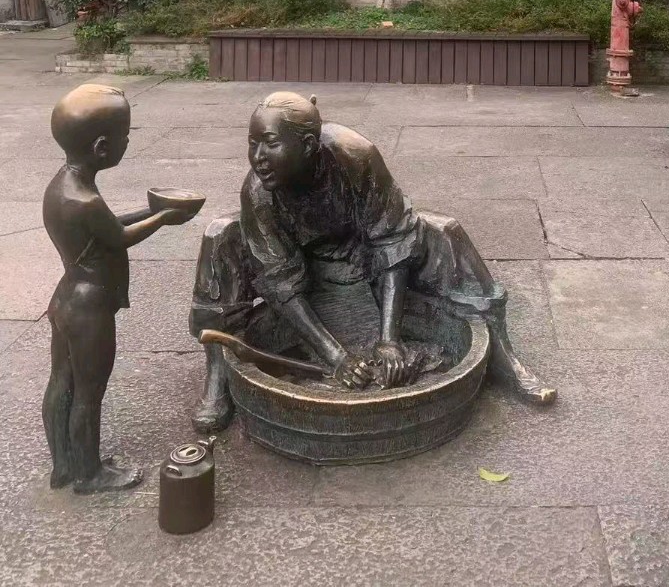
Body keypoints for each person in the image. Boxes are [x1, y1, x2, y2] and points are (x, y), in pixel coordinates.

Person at [190, 92, 556, 431]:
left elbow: (392, 238)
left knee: (446, 232)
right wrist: (336, 357)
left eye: (271, 144)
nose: (258, 157)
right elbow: (279, 281)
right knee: (219, 237)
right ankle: (219, 373)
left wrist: (389, 341)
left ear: (308, 145)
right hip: (303, 265)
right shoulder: (258, 191)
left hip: (361, 252)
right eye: (252, 143)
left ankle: (501, 356)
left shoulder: (355, 154)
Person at [42, 83, 198, 493]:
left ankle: (65, 465)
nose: (128, 141)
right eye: (124, 136)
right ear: (101, 147)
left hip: (66, 298)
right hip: (90, 306)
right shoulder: (87, 201)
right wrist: (163, 218)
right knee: (89, 391)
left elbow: (106, 226)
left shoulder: (63, 186)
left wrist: (151, 209)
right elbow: (119, 237)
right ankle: (89, 474)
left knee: (61, 380)